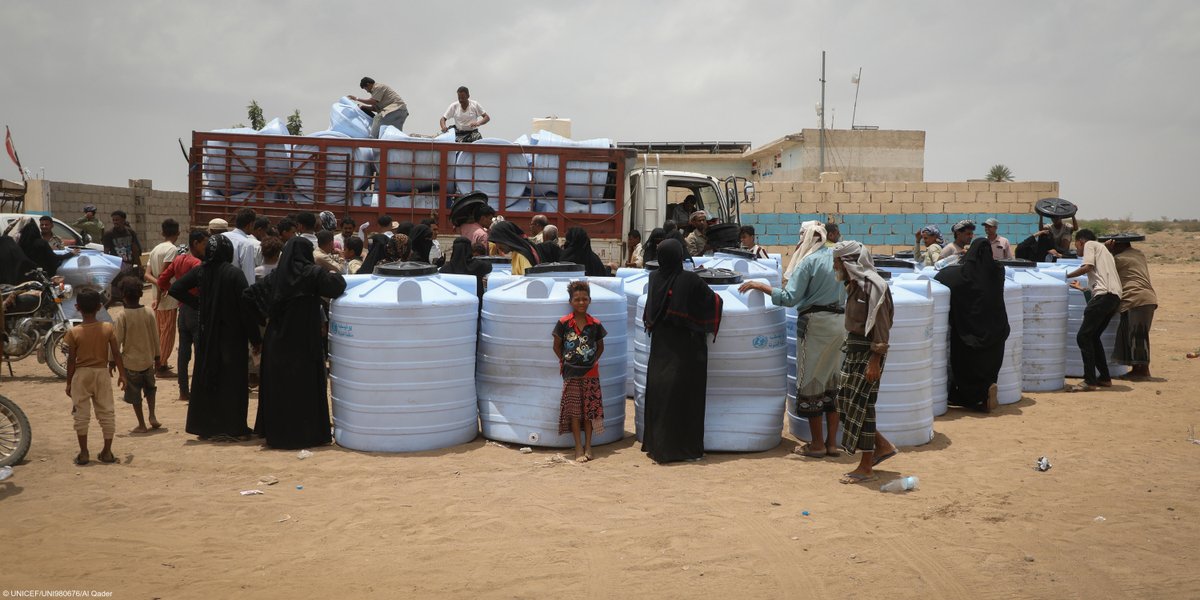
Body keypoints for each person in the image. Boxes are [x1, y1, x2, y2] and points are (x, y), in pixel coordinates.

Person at [740, 221, 845, 457]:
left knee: (811, 381)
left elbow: (789, 298)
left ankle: (816, 444)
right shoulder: (839, 259)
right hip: (840, 325)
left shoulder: (809, 262)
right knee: (833, 382)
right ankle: (832, 444)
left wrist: (761, 286)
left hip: (815, 326)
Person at [251, 236, 347, 449]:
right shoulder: (312, 274)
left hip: (276, 340)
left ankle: (278, 435)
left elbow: (249, 296)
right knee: (304, 389)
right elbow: (336, 286)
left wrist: (263, 319)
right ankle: (306, 435)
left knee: (280, 388)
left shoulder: (276, 276)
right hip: (304, 341)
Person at [168, 235, 262, 441]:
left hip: (207, 334)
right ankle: (234, 427)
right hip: (232, 336)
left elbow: (175, 288)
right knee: (233, 382)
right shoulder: (234, 274)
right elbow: (245, 307)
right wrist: (255, 338)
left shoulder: (201, 271)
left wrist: (198, 304)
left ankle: (206, 426)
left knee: (208, 377)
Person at [641, 239, 723, 464]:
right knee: (684, 398)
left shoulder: (653, 277)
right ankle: (681, 450)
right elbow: (713, 302)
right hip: (685, 349)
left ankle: (656, 446)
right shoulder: (689, 279)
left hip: (660, 346)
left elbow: (651, 310)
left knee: (660, 395)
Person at [830, 241, 898, 485]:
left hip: (868, 353)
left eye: (836, 262)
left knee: (863, 405)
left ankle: (866, 466)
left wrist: (875, 359)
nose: (834, 266)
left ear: (847, 262)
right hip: (855, 349)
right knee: (847, 402)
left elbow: (881, 325)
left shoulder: (874, 286)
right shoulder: (853, 286)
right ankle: (881, 446)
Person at [934, 238, 1008, 413]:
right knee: (989, 366)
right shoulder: (998, 271)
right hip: (996, 331)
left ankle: (972, 398)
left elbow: (941, 277)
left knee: (966, 367)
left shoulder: (960, 275)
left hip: (970, 333)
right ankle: (987, 390)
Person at [64, 288, 126, 465]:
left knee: (81, 415)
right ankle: (107, 452)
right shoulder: (107, 328)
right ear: (100, 307)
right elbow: (116, 353)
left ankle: (84, 453)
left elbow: (71, 361)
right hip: (101, 373)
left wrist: (69, 383)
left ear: (77, 307)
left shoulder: (74, 332)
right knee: (106, 412)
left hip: (81, 375)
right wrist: (122, 374)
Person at [552, 280, 607, 462]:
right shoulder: (564, 323)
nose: (581, 302)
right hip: (571, 374)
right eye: (577, 299)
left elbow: (600, 347)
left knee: (589, 412)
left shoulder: (595, 324)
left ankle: (589, 446)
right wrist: (566, 361)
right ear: (571, 302)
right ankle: (578, 447)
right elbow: (556, 346)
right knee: (575, 411)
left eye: (584, 299)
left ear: (590, 300)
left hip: (591, 373)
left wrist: (592, 362)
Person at [1066, 229, 1122, 391]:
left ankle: (1089, 381)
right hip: (1113, 298)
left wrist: (1066, 276)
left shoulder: (1090, 244)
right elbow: (1101, 278)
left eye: (1076, 244)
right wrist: (1083, 289)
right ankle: (1104, 378)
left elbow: (1087, 267)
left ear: (1081, 241)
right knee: (1093, 336)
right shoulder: (1105, 252)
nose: (1076, 248)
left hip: (1103, 297)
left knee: (1083, 337)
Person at [158, 230, 207, 401]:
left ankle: (183, 391)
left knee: (184, 353)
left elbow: (162, 280)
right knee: (200, 351)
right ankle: (199, 390)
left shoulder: (178, 260)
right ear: (196, 243)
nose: (206, 247)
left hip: (183, 309)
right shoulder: (197, 264)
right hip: (195, 308)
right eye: (204, 243)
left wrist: (168, 291)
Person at [113, 278, 161, 433]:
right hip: (148, 361)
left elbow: (117, 341)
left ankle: (141, 424)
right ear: (141, 294)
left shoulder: (122, 316)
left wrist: (111, 360)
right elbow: (155, 336)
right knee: (150, 389)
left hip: (130, 364)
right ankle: (152, 416)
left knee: (135, 395)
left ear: (123, 295)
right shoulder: (148, 311)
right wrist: (158, 357)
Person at [1108, 238, 1157, 378]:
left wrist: (1107, 250)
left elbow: (1103, 266)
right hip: (1142, 299)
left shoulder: (1119, 259)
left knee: (1138, 335)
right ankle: (1137, 369)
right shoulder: (1139, 254)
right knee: (1131, 335)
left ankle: (1142, 371)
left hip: (1137, 298)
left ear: (1118, 245)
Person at [143, 218, 181, 374]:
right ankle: (161, 365)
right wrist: (160, 287)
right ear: (177, 233)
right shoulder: (172, 250)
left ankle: (159, 362)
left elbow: (147, 275)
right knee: (167, 333)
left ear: (162, 233)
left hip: (157, 296)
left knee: (160, 332)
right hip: (167, 298)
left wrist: (157, 284)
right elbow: (164, 276)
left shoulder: (155, 249)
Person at [103, 209, 143, 277]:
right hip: (117, 267)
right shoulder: (109, 234)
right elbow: (106, 252)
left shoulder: (130, 233)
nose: (115, 222)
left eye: (117, 220)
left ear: (123, 220)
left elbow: (135, 250)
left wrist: (139, 266)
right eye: (113, 220)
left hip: (130, 265)